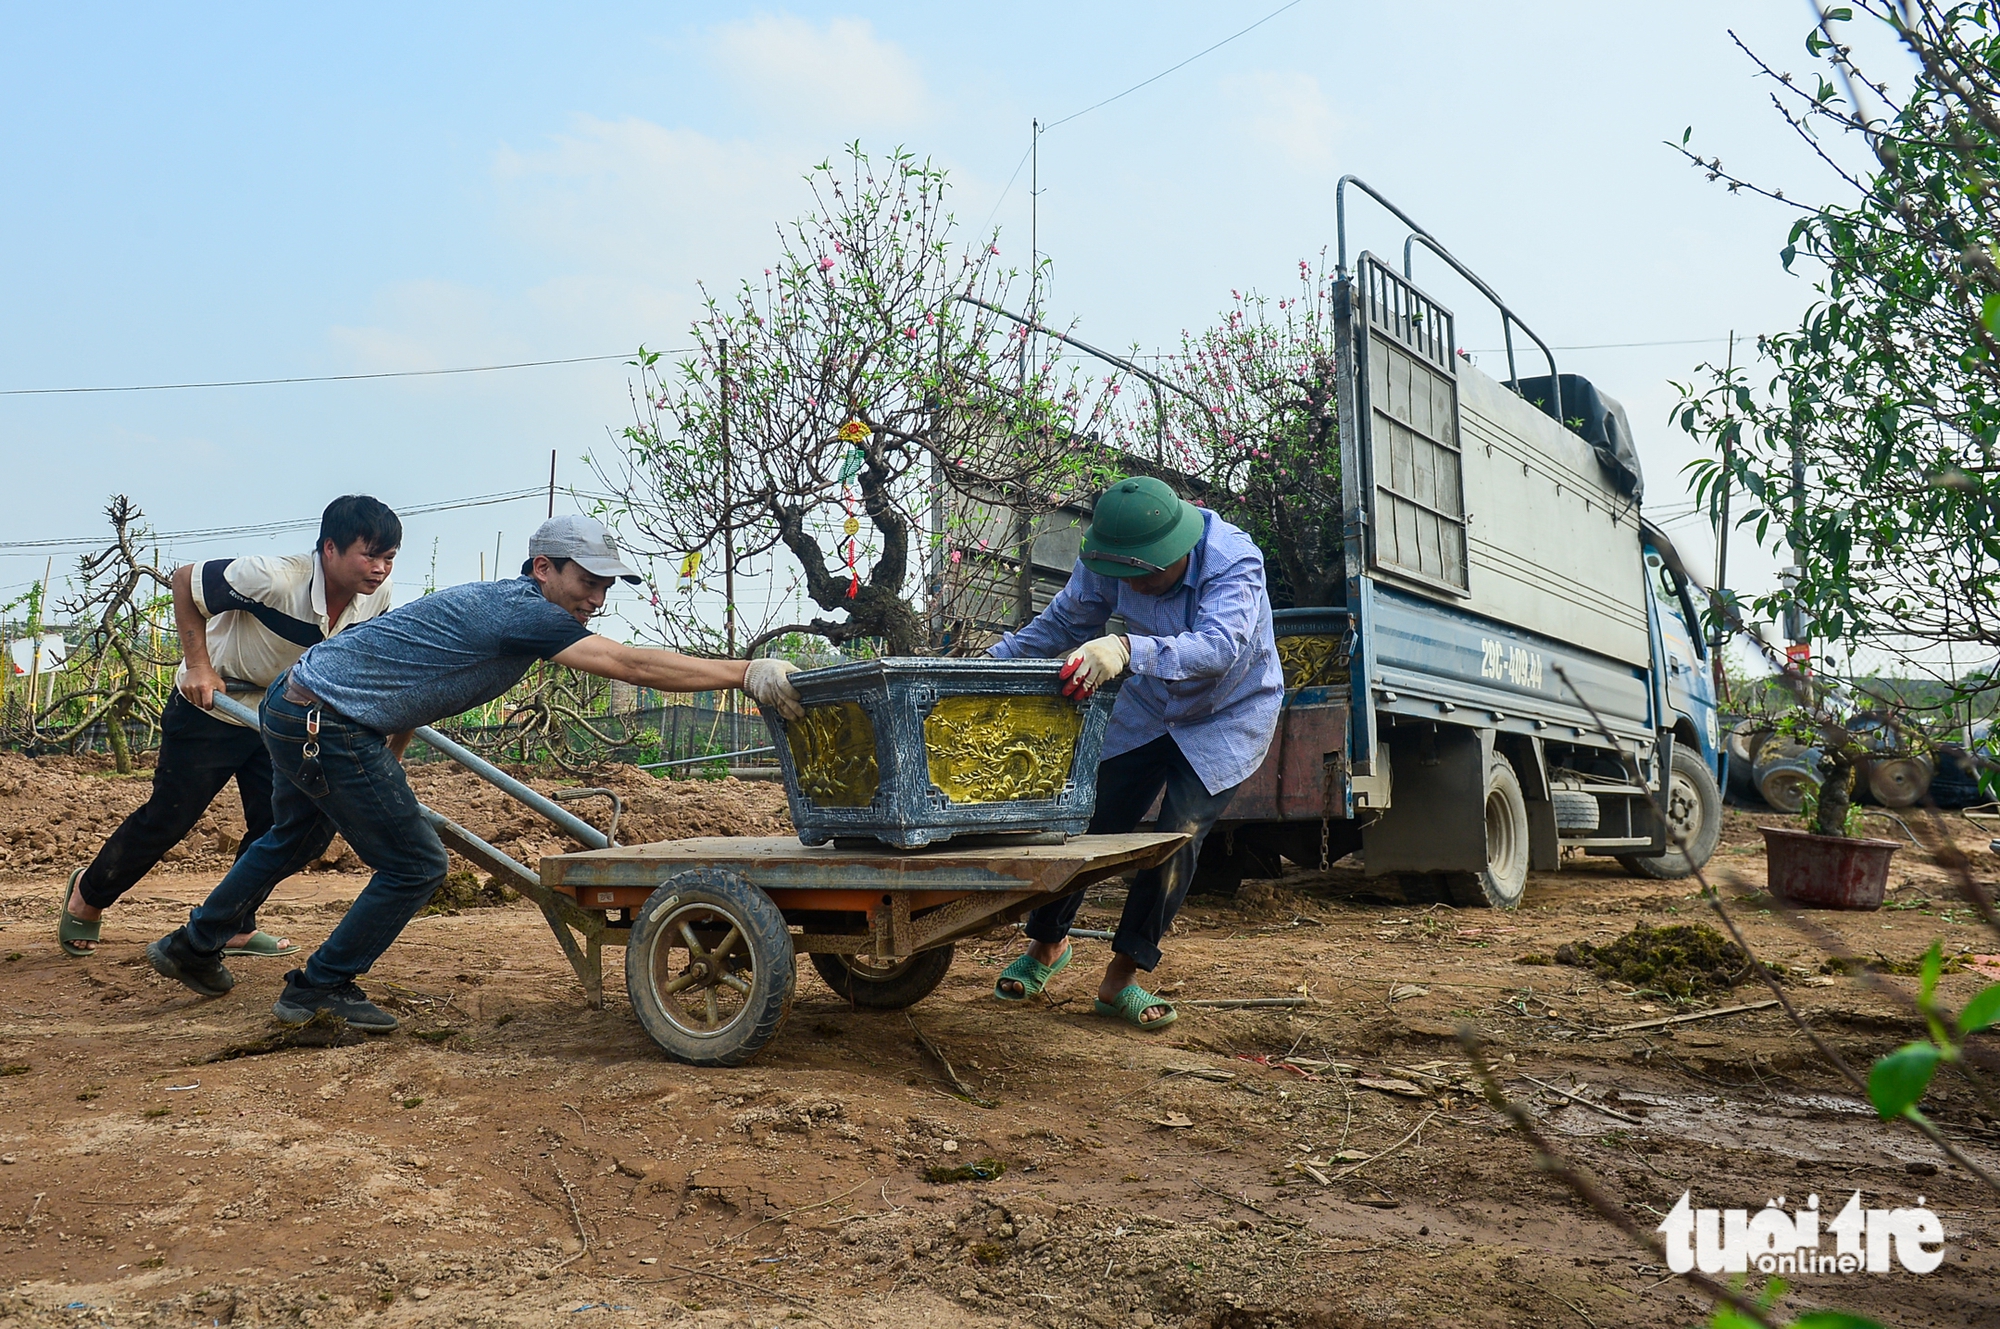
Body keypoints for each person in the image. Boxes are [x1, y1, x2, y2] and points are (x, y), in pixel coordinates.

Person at [145, 514, 804, 1032]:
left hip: (306, 706)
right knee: (417, 864)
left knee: (297, 837)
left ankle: (196, 942)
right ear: (544, 568)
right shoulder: (525, 611)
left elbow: (412, 679)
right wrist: (744, 673)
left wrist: (387, 762)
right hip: (326, 721)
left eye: (606, 586)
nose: (597, 598)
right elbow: (633, 666)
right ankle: (318, 989)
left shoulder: (510, 604)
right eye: (586, 581)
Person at [988, 475, 1282, 1030]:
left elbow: (1219, 648)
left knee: (1175, 837)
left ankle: (1122, 976)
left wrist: (1125, 646)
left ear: (1174, 553)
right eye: (1122, 578)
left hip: (1228, 712)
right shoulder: (1109, 556)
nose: (1132, 590)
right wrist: (985, 667)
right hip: (1149, 703)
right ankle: (1047, 946)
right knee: (1088, 818)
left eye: (1144, 579)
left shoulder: (1232, 560)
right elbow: (1062, 622)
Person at [58, 496, 401, 959]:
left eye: (389, 558)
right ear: (330, 549)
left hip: (282, 717)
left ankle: (234, 925)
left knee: (279, 826)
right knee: (170, 817)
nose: (380, 568)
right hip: (214, 708)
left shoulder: (376, 595)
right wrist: (199, 665)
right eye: (370, 554)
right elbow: (185, 582)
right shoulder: (274, 578)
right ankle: (89, 893)